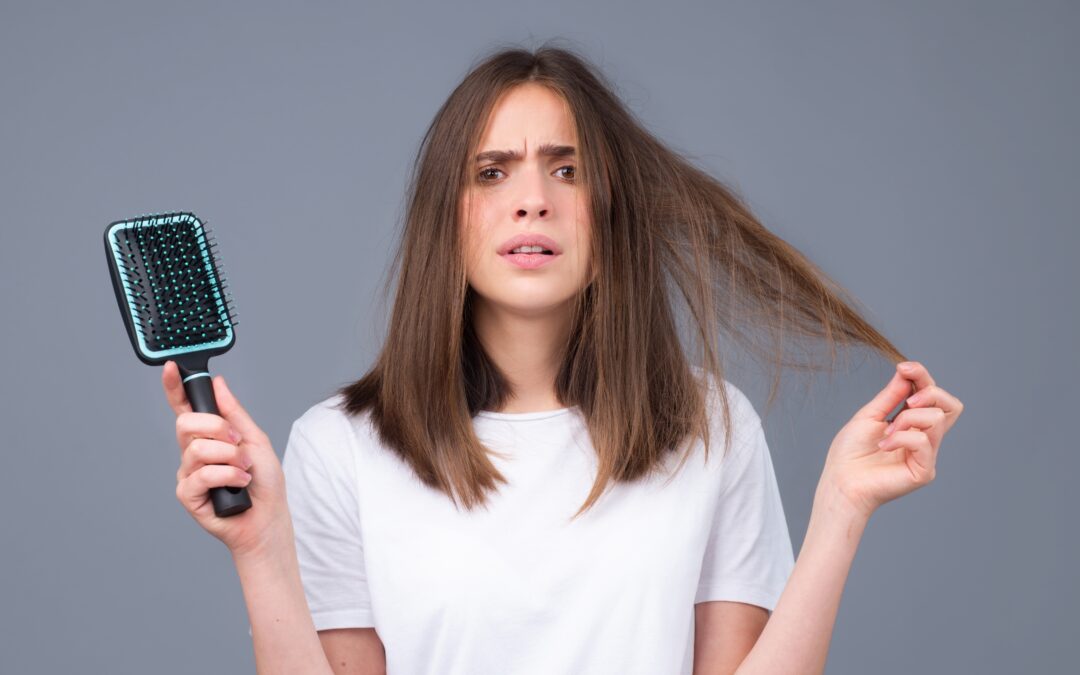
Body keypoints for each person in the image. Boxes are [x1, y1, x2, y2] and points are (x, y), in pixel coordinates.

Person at [163, 43, 964, 675]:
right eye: (492, 172)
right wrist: (260, 551)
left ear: (609, 212)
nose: (532, 199)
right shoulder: (341, 445)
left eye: (568, 169)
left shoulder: (710, 425)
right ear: (446, 217)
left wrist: (841, 509)